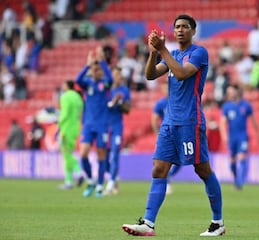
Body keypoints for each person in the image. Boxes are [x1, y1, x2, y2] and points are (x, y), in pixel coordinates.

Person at [122, 14, 225, 237]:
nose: (180, 30)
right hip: (169, 122)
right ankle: (148, 223)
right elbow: (150, 75)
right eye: (177, 27)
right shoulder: (174, 54)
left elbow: (180, 73)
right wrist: (152, 54)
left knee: (202, 169)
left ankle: (217, 222)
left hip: (190, 121)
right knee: (159, 169)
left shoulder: (199, 53)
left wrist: (163, 51)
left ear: (193, 31)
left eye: (185, 27)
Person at [76, 46, 113, 198]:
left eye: (98, 70)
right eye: (94, 69)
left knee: (101, 155)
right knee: (83, 153)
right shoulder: (87, 83)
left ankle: (99, 186)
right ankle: (91, 180)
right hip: (88, 125)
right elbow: (77, 80)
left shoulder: (104, 84)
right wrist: (88, 65)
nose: (95, 71)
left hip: (102, 125)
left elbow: (110, 79)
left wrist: (102, 62)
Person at [219, 84, 259, 189]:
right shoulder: (227, 106)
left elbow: (253, 121)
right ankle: (236, 178)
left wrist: (258, 135)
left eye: (231, 91)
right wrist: (224, 136)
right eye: (228, 92)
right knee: (232, 161)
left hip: (243, 136)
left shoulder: (246, 105)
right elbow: (222, 123)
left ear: (237, 91)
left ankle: (240, 182)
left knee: (242, 156)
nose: (229, 93)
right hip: (232, 137)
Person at [104, 66, 131, 195]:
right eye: (116, 74)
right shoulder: (105, 89)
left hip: (116, 126)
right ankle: (114, 177)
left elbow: (127, 110)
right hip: (103, 126)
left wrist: (120, 102)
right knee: (104, 156)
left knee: (114, 154)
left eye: (119, 75)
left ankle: (110, 183)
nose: (118, 77)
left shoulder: (124, 90)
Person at [150, 81, 181, 195]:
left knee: (180, 160)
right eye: (164, 88)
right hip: (166, 135)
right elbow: (154, 118)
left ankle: (169, 176)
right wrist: (157, 133)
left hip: (179, 134)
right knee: (161, 160)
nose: (166, 90)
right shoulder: (161, 103)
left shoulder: (178, 100)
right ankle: (165, 182)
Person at [57, 80, 84, 190]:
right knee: (67, 154)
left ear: (67, 86)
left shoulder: (65, 96)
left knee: (67, 154)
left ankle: (79, 173)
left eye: (63, 84)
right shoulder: (78, 97)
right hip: (75, 128)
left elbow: (65, 113)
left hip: (66, 128)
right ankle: (68, 181)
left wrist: (59, 124)